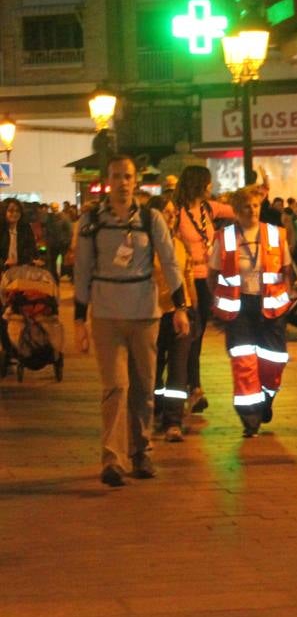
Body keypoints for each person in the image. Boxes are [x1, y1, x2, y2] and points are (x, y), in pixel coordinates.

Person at [73, 155, 191, 485]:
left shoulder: (151, 219)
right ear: (107, 180)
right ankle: (112, 458)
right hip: (107, 315)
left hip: (144, 315)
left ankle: (141, 451)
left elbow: (170, 263)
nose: (122, 182)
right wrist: (79, 320)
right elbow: (82, 270)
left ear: (135, 180)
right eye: (116, 176)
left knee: (143, 386)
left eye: (127, 176)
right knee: (115, 386)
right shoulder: (91, 221)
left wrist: (180, 307)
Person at [209, 185, 293, 437]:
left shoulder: (276, 234)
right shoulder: (225, 237)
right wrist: (221, 298)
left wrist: (284, 295)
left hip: (271, 306)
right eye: (246, 206)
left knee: (274, 360)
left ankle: (266, 397)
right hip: (239, 308)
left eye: (256, 205)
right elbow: (212, 275)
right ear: (236, 211)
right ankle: (250, 417)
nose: (252, 210)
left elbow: (287, 270)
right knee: (244, 362)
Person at [174, 165, 235, 416]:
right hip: (186, 279)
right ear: (199, 183)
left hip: (207, 278)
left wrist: (260, 191)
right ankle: (192, 386)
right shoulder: (177, 213)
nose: (211, 187)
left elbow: (237, 209)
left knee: (198, 334)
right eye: (208, 182)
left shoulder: (208, 208)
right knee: (190, 333)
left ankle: (194, 386)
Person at [147, 196, 196, 442]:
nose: (171, 216)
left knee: (178, 369)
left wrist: (191, 307)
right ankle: (154, 409)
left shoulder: (179, 244)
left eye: (173, 213)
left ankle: (173, 421)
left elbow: (186, 275)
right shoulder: (144, 245)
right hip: (152, 315)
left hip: (180, 314)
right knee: (153, 370)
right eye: (165, 212)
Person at [2, 198, 38, 272]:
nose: (15, 213)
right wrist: (3, 263)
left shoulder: (25, 228)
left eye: (18, 211)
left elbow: (31, 247)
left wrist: (31, 260)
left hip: (21, 270)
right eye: (11, 211)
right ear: (4, 212)